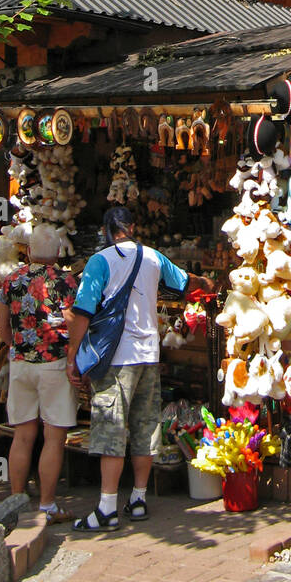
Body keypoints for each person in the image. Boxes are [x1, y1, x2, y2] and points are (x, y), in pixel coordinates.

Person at [66, 206, 214, 530]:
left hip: (115, 359)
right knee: (146, 427)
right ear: (132, 226)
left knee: (112, 428)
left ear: (108, 230)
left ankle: (106, 508)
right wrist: (209, 281)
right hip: (149, 355)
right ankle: (138, 499)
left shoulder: (99, 262)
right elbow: (188, 283)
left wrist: (72, 354)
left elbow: (82, 311)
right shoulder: (153, 258)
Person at [0, 225, 79, 525]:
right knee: (54, 437)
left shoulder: (12, 280)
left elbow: (0, 321)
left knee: (23, 435)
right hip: (54, 362)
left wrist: (14, 344)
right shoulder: (66, 280)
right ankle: (47, 504)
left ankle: (17, 500)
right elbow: (74, 321)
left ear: (29, 251)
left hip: (21, 363)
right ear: (57, 253)